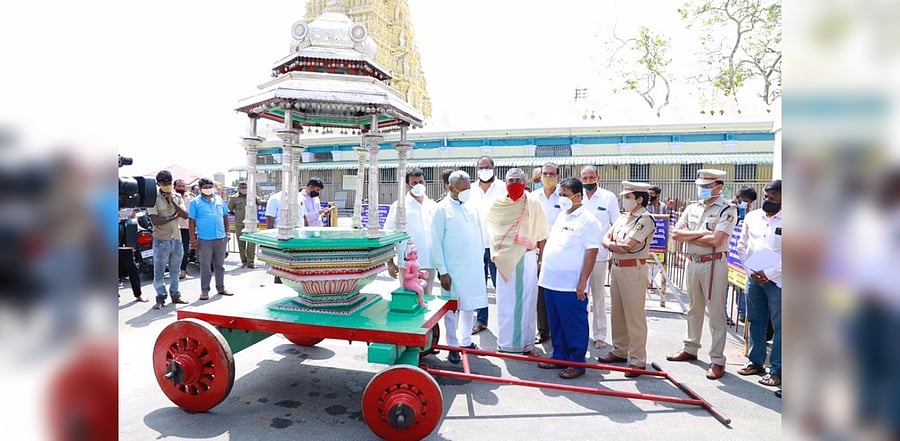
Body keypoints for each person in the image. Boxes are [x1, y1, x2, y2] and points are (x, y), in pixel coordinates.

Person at [666, 169, 738, 380]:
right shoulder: (692, 207)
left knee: (715, 311)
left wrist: (690, 236)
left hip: (713, 263)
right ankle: (691, 347)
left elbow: (717, 240)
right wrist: (702, 235)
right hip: (692, 262)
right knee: (693, 308)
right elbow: (676, 234)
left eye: (707, 186)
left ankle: (717, 359)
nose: (703, 190)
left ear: (718, 186)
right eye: (701, 186)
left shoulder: (727, 209)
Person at [537, 178, 601, 379]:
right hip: (551, 280)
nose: (562, 198)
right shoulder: (562, 215)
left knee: (573, 322)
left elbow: (592, 252)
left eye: (565, 195)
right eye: (561, 195)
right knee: (555, 322)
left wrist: (583, 281)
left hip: (570, 284)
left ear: (578, 196)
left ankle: (576, 362)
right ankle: (559, 356)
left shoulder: (588, 220)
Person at [486, 168, 550, 356]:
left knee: (527, 302)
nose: (514, 183)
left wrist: (541, 260)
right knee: (506, 302)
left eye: (518, 180)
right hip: (505, 260)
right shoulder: (498, 205)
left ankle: (526, 344)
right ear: (505, 183)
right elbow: (492, 232)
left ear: (525, 183)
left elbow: (543, 234)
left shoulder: (533, 203)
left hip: (528, 258)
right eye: (510, 180)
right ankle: (506, 344)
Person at [597, 181, 657, 377]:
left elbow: (628, 245)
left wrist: (613, 244)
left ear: (639, 199)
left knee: (634, 315)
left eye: (628, 197)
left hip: (634, 270)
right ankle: (620, 350)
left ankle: (638, 360)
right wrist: (613, 244)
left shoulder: (645, 219)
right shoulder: (623, 218)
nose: (625, 200)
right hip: (617, 268)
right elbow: (606, 238)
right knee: (618, 313)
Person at [431, 170, 489, 364]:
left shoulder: (471, 207)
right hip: (452, 270)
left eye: (468, 188)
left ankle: (465, 341)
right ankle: (453, 346)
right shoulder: (441, 209)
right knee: (452, 309)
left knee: (468, 307)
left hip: (472, 268)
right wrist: (443, 271)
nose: (467, 192)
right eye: (463, 189)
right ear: (450, 187)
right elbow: (436, 243)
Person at [736, 179, 782, 387]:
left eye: (772, 197)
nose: (767, 200)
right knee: (755, 321)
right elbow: (742, 245)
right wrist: (751, 270)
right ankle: (755, 362)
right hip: (754, 278)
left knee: (782, 327)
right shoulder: (753, 217)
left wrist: (770, 273)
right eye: (765, 196)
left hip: (780, 281)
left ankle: (778, 370)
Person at [580, 165, 620, 349]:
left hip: (599, 256)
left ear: (598, 178)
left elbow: (616, 224)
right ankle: (581, 333)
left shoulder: (608, 197)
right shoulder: (576, 196)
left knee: (598, 296)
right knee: (579, 296)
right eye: (584, 178)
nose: (588, 181)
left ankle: (600, 335)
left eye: (591, 177)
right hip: (577, 255)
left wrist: (610, 247)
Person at [468, 155, 507, 335]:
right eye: (481, 168)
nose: (484, 171)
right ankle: (481, 320)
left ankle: (505, 321)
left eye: (487, 167)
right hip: (476, 244)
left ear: (494, 168)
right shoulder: (470, 189)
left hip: (497, 245)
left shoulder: (503, 188)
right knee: (478, 284)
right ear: (477, 170)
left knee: (501, 285)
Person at [384, 167, 438, 295]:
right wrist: (390, 263)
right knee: (410, 302)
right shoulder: (399, 206)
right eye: (414, 183)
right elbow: (388, 235)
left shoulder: (432, 205)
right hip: (408, 266)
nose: (418, 185)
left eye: (421, 182)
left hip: (429, 263)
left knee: (427, 300)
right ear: (408, 185)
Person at [528, 162, 561, 345]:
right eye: (545, 174)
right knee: (540, 292)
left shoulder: (564, 197)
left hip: (559, 251)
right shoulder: (532, 197)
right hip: (536, 249)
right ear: (540, 177)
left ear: (558, 176)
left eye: (551, 174)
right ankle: (543, 330)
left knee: (558, 291)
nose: (548, 177)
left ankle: (558, 329)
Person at [147, 170, 189, 309]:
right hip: (161, 240)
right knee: (159, 272)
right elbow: (155, 220)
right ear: (158, 183)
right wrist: (172, 217)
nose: (167, 185)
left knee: (175, 271)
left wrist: (172, 202)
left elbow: (184, 215)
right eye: (164, 183)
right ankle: (160, 297)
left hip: (176, 240)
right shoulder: (153, 198)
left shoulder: (177, 196)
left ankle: (175, 295)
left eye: (169, 183)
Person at [189, 178, 233, 300]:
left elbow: (225, 217)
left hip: (220, 238)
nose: (208, 188)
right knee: (205, 266)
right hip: (204, 239)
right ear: (200, 187)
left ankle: (221, 288)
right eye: (205, 186)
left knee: (220, 265)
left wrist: (227, 233)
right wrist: (193, 240)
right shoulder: (195, 202)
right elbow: (191, 222)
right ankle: (205, 291)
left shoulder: (219, 200)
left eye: (210, 186)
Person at [264, 186, 306, 283]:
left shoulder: (299, 198)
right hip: (282, 239)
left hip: (298, 239)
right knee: (281, 267)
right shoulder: (275, 198)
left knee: (297, 267)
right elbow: (270, 222)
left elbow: (303, 217)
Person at [228, 181, 259, 268]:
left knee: (252, 242)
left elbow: (260, 202)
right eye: (242, 187)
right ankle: (244, 261)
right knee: (241, 243)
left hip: (251, 223)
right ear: (238, 188)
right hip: (240, 223)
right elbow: (229, 209)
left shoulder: (252, 196)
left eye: (246, 187)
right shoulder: (234, 198)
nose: (244, 189)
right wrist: (237, 215)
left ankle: (251, 262)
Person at [174, 179, 194, 279]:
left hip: (186, 227)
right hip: (173, 227)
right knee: (174, 251)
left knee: (185, 250)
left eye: (183, 186)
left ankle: (183, 270)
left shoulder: (191, 197)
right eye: (179, 186)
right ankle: (175, 270)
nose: (181, 188)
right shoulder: (171, 197)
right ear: (174, 187)